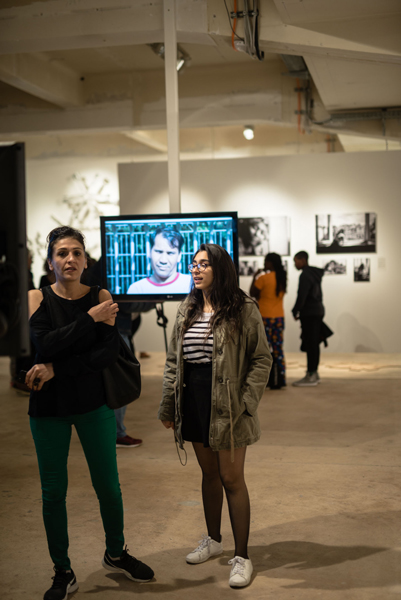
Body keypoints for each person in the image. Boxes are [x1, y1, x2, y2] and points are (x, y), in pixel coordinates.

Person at [26, 226, 154, 600]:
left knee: (108, 486)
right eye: (62, 253)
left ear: (86, 260)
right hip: (48, 408)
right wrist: (90, 319)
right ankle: (62, 570)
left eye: (77, 253)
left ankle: (116, 553)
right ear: (51, 262)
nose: (70, 259)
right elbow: (44, 342)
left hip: (93, 404)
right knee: (53, 492)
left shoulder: (100, 295)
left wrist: (56, 368)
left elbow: (106, 354)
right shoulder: (37, 297)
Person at [158, 243, 271, 588]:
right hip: (194, 399)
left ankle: (242, 556)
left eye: (204, 264)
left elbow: (261, 358)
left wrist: (247, 403)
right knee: (209, 475)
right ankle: (213, 540)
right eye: (193, 264)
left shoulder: (243, 308)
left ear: (220, 269)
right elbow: (174, 361)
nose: (196, 269)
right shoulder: (187, 307)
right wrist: (168, 405)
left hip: (229, 404)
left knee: (231, 479)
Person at [249, 252, 287, 388]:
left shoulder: (263, 278)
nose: (264, 263)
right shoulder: (282, 278)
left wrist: (255, 276)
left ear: (270, 263)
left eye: (266, 261)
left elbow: (252, 293)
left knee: (262, 349)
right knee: (278, 348)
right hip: (279, 317)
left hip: (264, 317)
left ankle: (264, 379)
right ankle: (280, 378)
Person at [292, 250, 325, 387]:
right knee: (314, 344)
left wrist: (296, 310)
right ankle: (314, 373)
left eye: (296, 261)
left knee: (311, 344)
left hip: (310, 313)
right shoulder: (314, 274)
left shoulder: (305, 275)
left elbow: (302, 294)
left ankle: (311, 374)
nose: (295, 264)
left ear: (303, 260)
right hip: (317, 310)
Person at [127, 227, 192, 294]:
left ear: (179, 256)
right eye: (159, 252)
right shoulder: (136, 290)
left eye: (170, 253)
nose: (163, 260)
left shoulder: (192, 286)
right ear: (150, 252)